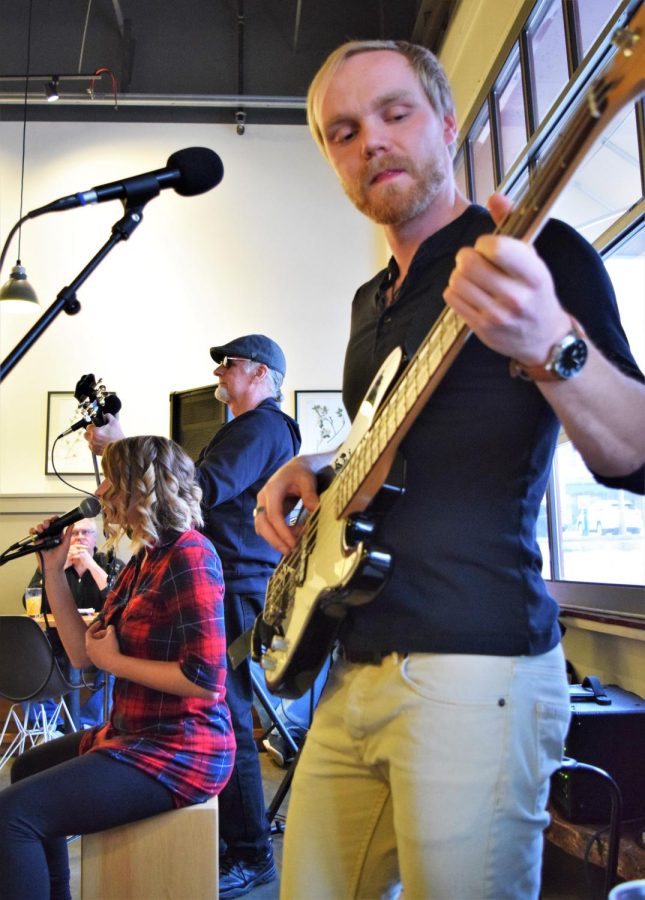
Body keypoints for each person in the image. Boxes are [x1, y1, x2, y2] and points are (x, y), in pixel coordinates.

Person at [253, 41, 645, 899]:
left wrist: (552, 345)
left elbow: (635, 452)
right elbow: (396, 442)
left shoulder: (534, 251)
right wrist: (314, 466)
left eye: (395, 114)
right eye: (344, 131)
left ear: (446, 121)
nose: (372, 143)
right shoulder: (371, 302)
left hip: (477, 667)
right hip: (349, 663)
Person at [85, 334, 301, 898]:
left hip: (230, 586)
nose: (219, 374)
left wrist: (124, 450)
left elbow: (194, 491)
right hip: (225, 583)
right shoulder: (247, 430)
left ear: (260, 374)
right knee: (222, 712)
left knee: (225, 714)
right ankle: (230, 844)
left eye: (229, 365)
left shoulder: (261, 429)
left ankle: (252, 855)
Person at [0, 435, 234, 900]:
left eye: (111, 479)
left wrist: (118, 662)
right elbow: (84, 654)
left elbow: (207, 683)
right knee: (24, 771)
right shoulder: (142, 561)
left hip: (182, 748)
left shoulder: (191, 554)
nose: (102, 490)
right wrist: (52, 570)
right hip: (134, 732)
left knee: (10, 817)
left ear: (142, 488)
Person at [23, 516, 124, 729]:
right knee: (29, 659)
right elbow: (29, 601)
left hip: (98, 642)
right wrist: (54, 572)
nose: (79, 538)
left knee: (113, 667)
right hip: (56, 641)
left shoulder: (110, 563)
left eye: (86, 533)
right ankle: (49, 727)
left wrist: (90, 564)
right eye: (75, 533)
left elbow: (117, 601)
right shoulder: (54, 566)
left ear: (95, 539)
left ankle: (87, 725)